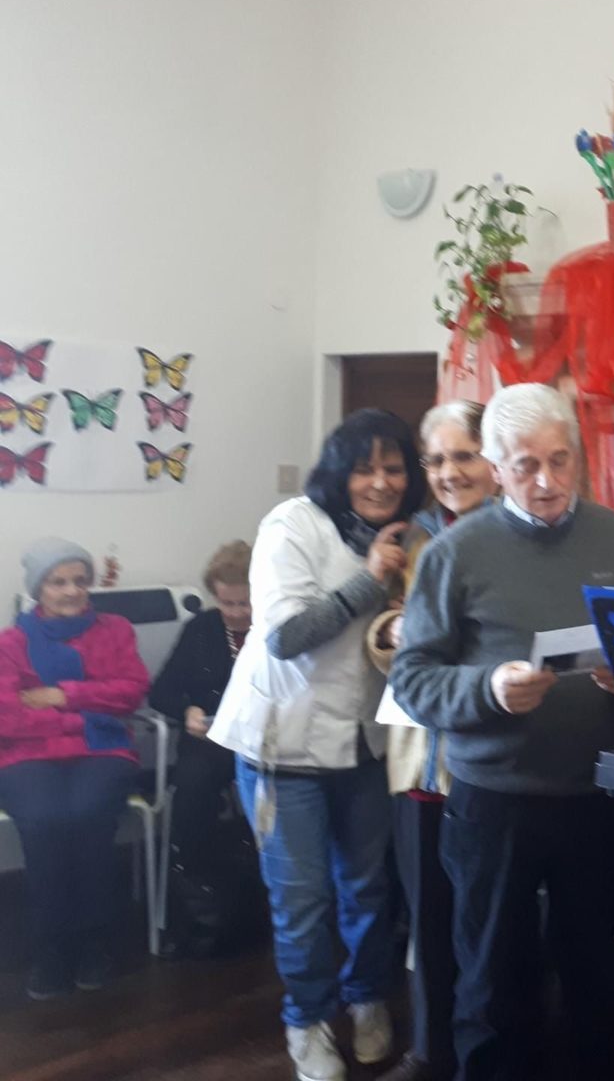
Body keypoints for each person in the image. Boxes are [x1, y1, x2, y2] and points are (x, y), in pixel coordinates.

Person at [391, 382, 614, 1081]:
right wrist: (487, 689)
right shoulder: (455, 553)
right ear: (494, 468)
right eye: (525, 466)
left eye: (559, 460)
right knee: (492, 983)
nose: (546, 482)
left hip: (596, 794)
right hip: (494, 800)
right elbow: (412, 681)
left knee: (593, 975)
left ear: (577, 454)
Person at [209, 408, 426, 1081]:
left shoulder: (414, 534)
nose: (381, 482)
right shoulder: (292, 525)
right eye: (364, 468)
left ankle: (366, 998)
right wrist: (370, 578)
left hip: (363, 742)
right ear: (338, 472)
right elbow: (286, 636)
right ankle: (307, 1020)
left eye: (394, 467)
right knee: (301, 901)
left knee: (367, 889)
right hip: (283, 744)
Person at [364, 400, 496, 1081]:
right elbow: (390, 638)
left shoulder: (515, 534)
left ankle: (484, 1054)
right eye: (437, 460)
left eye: (464, 456)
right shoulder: (414, 538)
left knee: (486, 924)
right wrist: (388, 634)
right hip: (421, 755)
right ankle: (429, 1050)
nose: (450, 472)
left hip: (489, 761)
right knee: (428, 916)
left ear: (493, 458)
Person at [0, 538, 149, 1000]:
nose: (71, 591)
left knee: (89, 817)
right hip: (29, 754)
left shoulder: (116, 630)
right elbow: (7, 716)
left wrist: (63, 695)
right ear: (38, 588)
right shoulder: (12, 642)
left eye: (80, 581)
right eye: (58, 582)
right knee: (43, 821)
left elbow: (131, 691)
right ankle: (50, 948)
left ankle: (94, 942)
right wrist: (82, 716)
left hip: (102, 751)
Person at [149, 541, 252, 877]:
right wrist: (187, 711)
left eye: (245, 602)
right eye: (226, 603)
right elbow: (161, 692)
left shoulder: (277, 629)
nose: (235, 612)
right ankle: (197, 875)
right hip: (210, 740)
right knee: (193, 784)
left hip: (268, 741)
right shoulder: (201, 629)